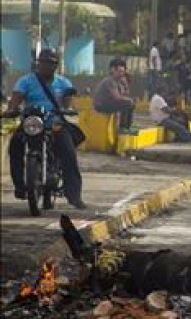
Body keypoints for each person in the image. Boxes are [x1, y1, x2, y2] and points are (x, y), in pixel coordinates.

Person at [4, 49, 85, 209]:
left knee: (68, 151)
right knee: (14, 147)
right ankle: (20, 187)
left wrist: (67, 108)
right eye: (45, 62)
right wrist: (11, 110)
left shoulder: (64, 83)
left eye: (52, 63)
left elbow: (68, 104)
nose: (48, 66)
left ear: (56, 65)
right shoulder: (25, 81)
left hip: (54, 124)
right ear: (38, 63)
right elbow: (15, 101)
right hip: (32, 123)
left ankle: (74, 195)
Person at [93, 58, 135, 132]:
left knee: (129, 102)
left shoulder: (117, 81)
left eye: (123, 72)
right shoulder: (110, 81)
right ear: (113, 70)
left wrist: (125, 85)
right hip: (101, 105)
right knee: (128, 103)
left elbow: (125, 95)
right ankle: (123, 127)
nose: (121, 74)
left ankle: (126, 127)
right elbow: (117, 98)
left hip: (107, 103)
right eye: (119, 71)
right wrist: (129, 100)